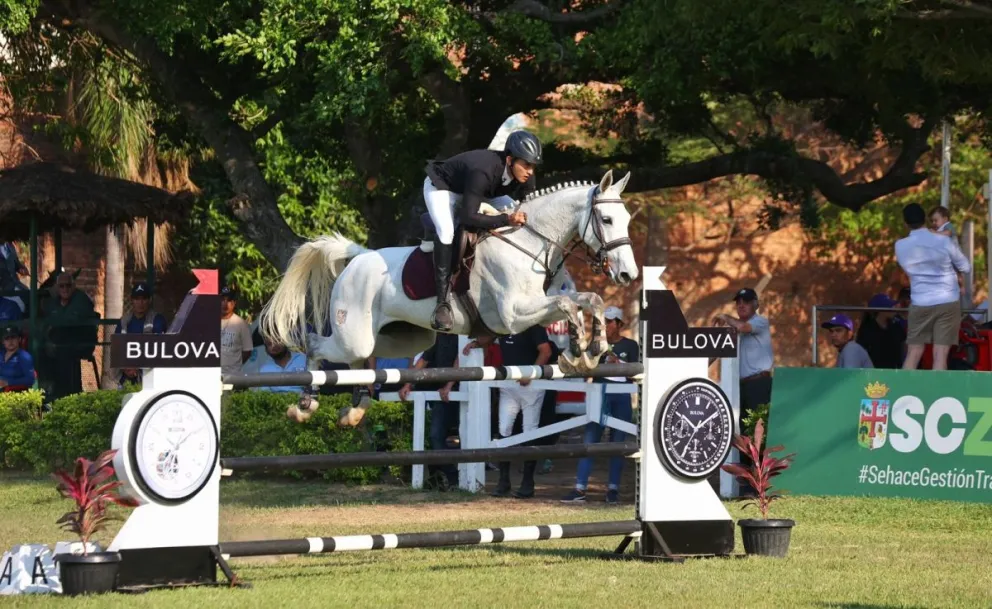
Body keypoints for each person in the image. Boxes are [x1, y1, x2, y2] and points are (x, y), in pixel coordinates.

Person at [422, 130, 542, 331]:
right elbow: (469, 216)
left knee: (519, 212)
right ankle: (442, 304)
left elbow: (529, 205)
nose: (530, 171)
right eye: (527, 165)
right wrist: (505, 219)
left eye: (533, 166)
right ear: (510, 160)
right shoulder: (483, 170)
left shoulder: (525, 174)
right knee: (446, 231)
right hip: (444, 189)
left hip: (478, 192)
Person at [562, 306, 639, 504]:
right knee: (590, 440)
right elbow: (585, 370)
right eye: (603, 322)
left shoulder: (630, 345)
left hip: (621, 396)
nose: (605, 326)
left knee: (617, 443)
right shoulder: (595, 345)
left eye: (610, 321)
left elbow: (636, 374)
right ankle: (579, 489)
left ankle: (612, 490)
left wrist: (617, 365)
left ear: (620, 324)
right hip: (599, 393)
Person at [895, 203, 971, 370]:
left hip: (919, 301)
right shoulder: (943, 240)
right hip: (948, 300)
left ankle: (905, 391)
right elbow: (966, 267)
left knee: (914, 351)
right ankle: (940, 393)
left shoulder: (900, 246)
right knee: (940, 353)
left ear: (905, 223)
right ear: (925, 220)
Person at [491, 324, 553, 498]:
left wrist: (531, 372)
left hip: (530, 386)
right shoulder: (503, 324)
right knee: (504, 429)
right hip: (510, 384)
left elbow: (545, 351)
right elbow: (487, 337)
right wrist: (475, 344)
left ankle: (527, 482)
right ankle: (504, 481)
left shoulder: (533, 327)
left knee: (529, 431)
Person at [398, 333, 461, 490]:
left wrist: (449, 385)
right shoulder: (438, 335)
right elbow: (423, 360)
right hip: (439, 394)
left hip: (453, 393)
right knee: (434, 437)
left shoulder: (462, 335)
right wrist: (408, 384)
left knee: (439, 436)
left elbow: (460, 360)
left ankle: (452, 476)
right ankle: (448, 476)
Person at [713, 288, 774, 427]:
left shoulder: (760, 322)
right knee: (740, 431)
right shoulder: (733, 330)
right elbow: (716, 352)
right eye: (738, 302)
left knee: (758, 431)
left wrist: (726, 317)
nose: (741, 305)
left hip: (759, 384)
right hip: (738, 387)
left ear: (756, 304)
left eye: (746, 302)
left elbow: (745, 327)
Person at [113, 283, 167, 388]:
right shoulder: (124, 321)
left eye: (144, 299)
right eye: (137, 299)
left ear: (149, 300)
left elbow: (159, 349)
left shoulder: (157, 320)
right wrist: (125, 367)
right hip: (125, 377)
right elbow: (117, 348)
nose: (140, 303)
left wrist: (138, 367)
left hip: (150, 376)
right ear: (132, 300)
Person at [856, 294, 906, 369]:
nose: (894, 308)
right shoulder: (867, 330)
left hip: (895, 373)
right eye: (889, 306)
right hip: (873, 374)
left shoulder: (896, 327)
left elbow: (903, 349)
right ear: (881, 310)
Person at [220, 286, 253, 378]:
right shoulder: (209, 322)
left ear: (234, 303)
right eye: (222, 300)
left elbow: (247, 351)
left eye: (229, 300)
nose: (225, 304)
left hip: (233, 376)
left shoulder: (241, 324)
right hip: (212, 374)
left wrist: (235, 365)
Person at [0, 325, 34, 391]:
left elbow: (30, 380)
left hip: (14, 393)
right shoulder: (1, 354)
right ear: (3, 342)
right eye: (7, 338)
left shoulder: (24, 357)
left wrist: (8, 382)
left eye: (13, 337)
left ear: (19, 339)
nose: (10, 341)